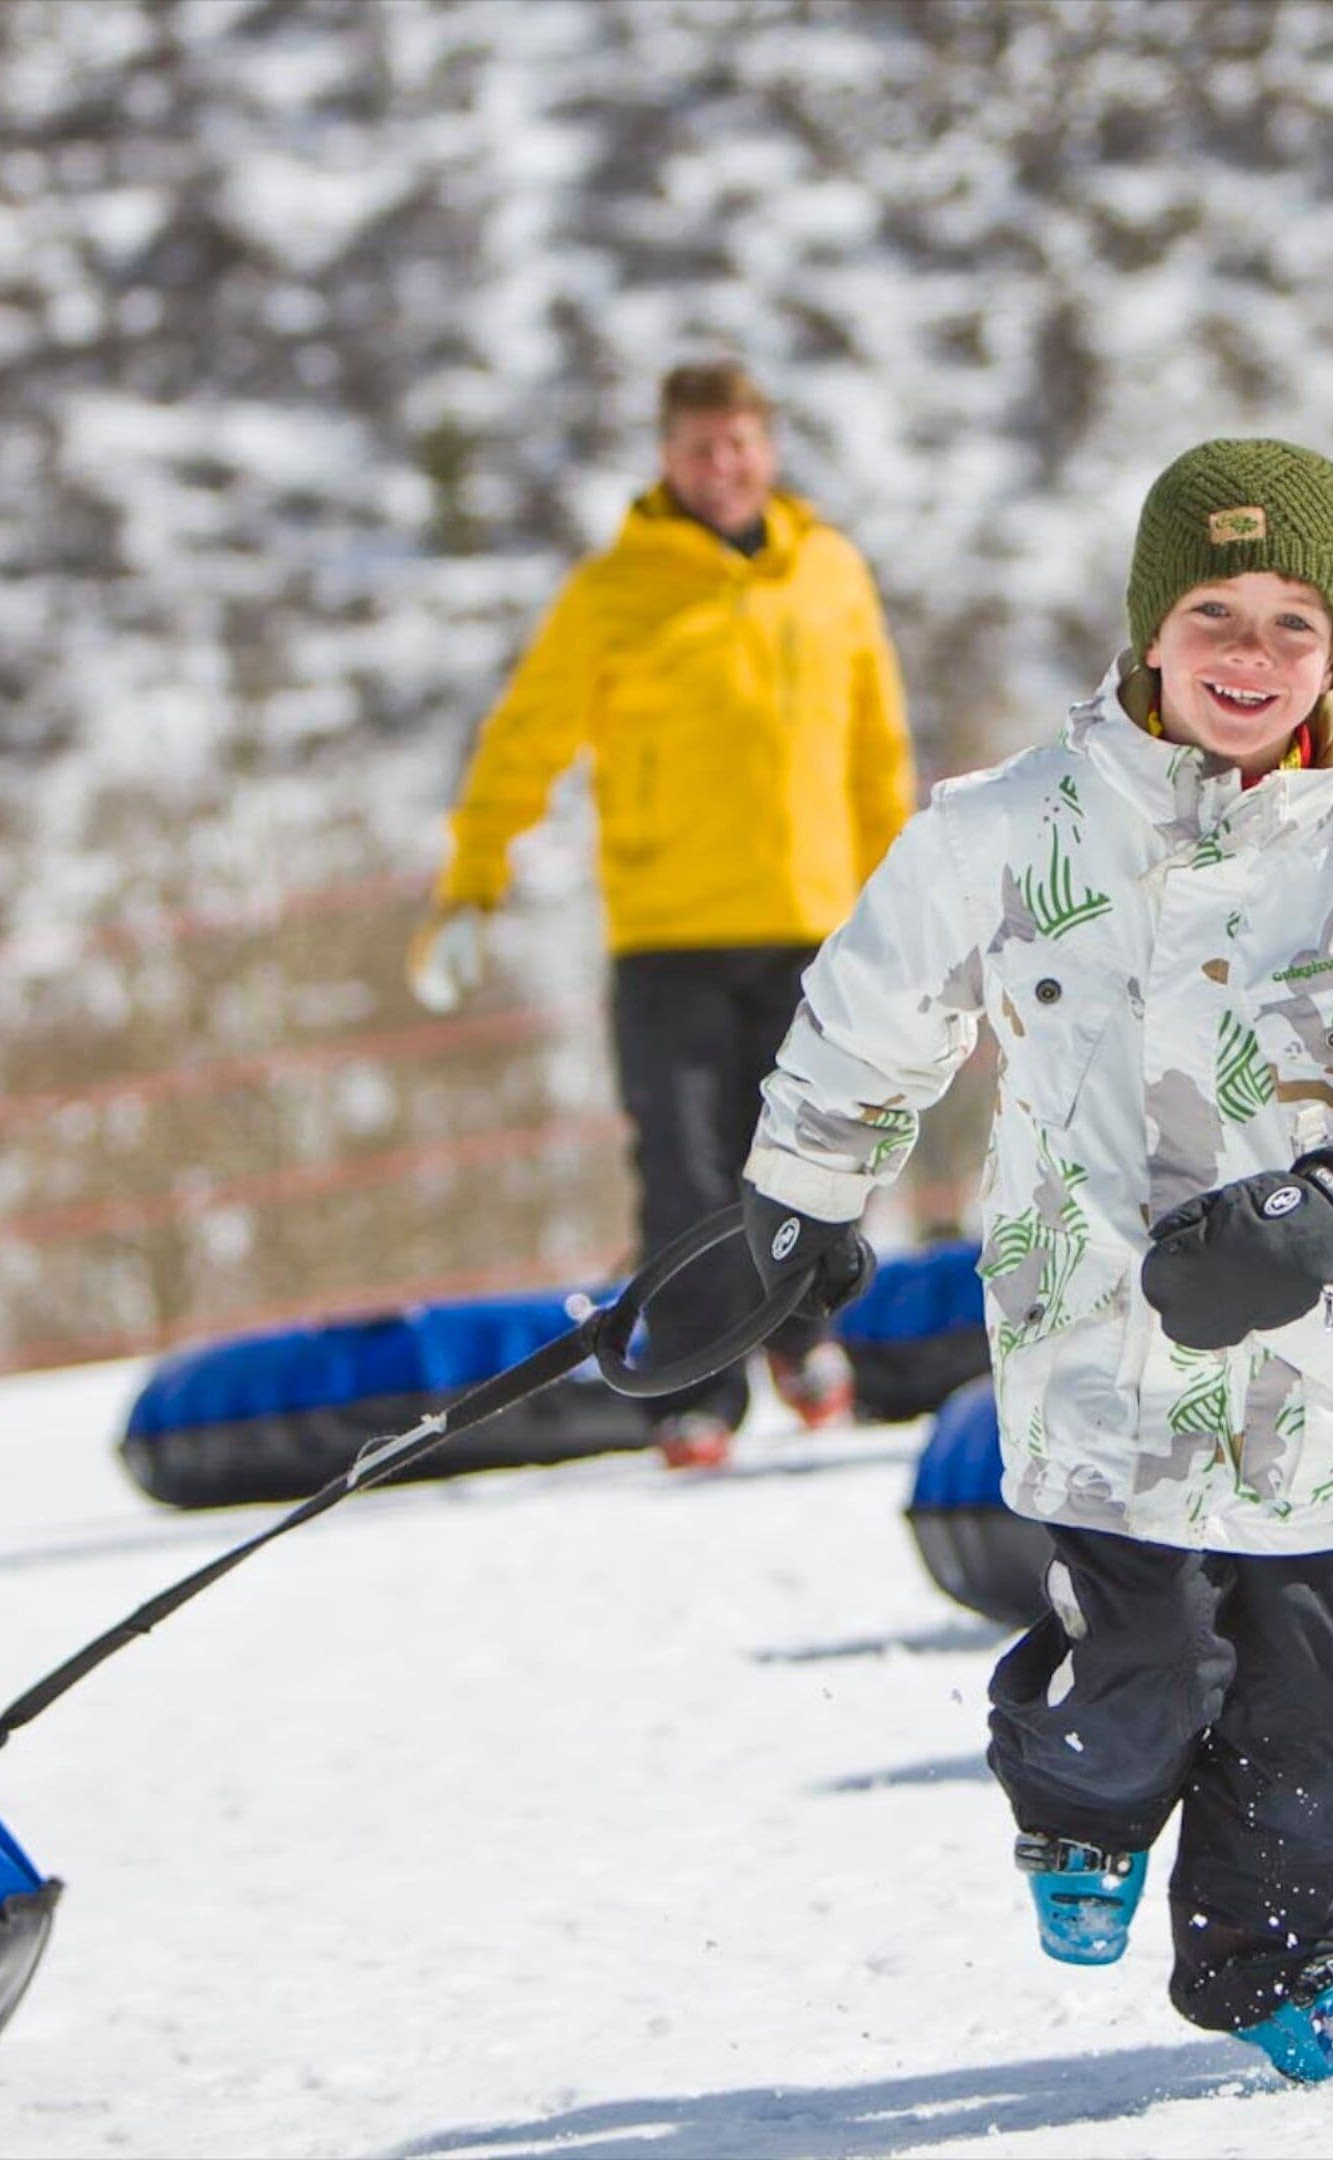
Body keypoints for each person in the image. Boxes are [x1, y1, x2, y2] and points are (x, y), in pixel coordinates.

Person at [728, 440, 1333, 2081]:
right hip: (1097, 1357)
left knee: (1314, 1734)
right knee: (1131, 1681)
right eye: (1214, 615)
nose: (1249, 658)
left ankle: (1282, 1955)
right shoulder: (1013, 832)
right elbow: (875, 1009)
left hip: (1315, 1393)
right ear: (1149, 630)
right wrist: (804, 1201)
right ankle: (1078, 1814)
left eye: (1293, 626)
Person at [410, 359, 916, 1470]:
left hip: (811, 917)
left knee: (815, 1147)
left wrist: (909, 895)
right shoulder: (614, 589)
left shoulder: (830, 573)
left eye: (737, 445)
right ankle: (694, 1392)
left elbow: (876, 750)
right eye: (697, 449)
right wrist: (473, 882)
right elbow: (525, 738)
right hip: (669, 931)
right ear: (665, 457)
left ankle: (806, 1339)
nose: (720, 468)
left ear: (767, 448)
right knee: (686, 1169)